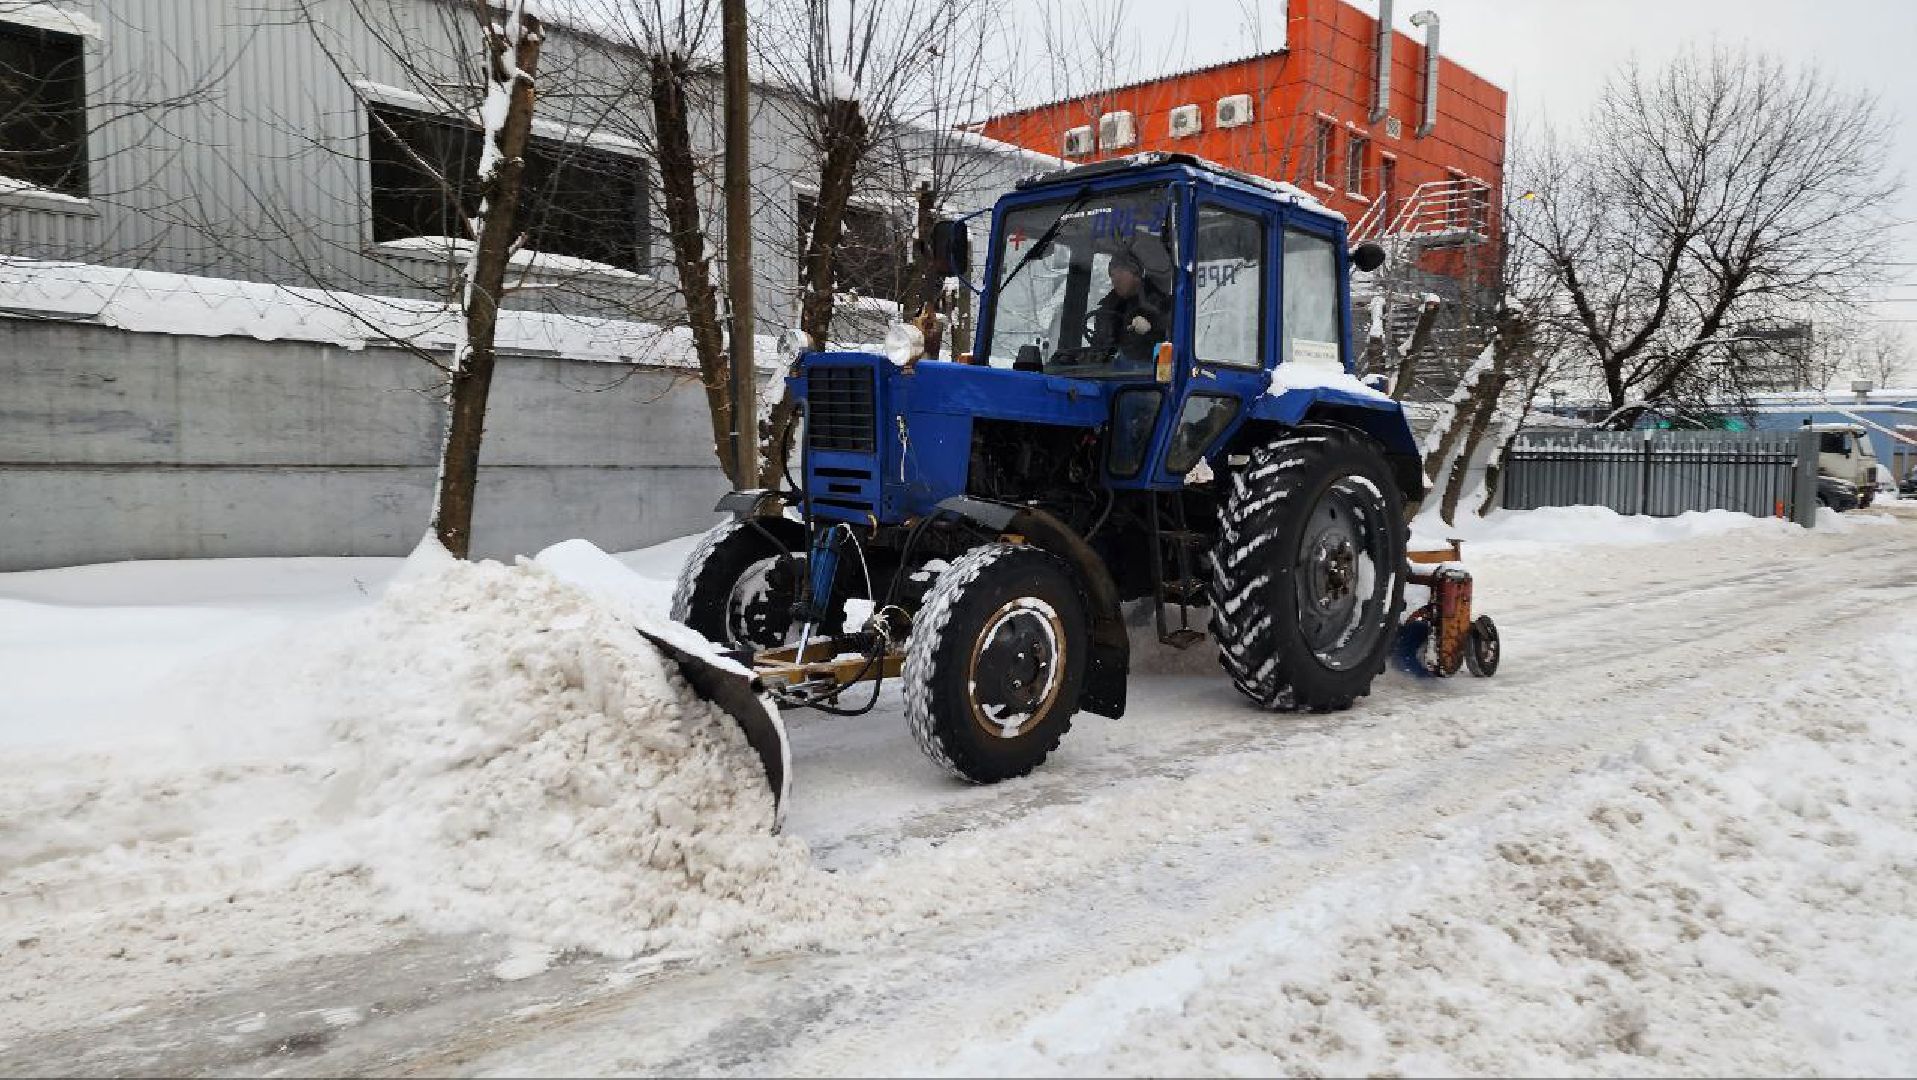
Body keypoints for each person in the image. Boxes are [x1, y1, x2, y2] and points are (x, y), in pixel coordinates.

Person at [1088, 251, 1169, 368]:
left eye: (1121, 271)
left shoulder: (1161, 306)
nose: (1115, 278)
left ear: (1136, 274)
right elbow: (1098, 351)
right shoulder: (1105, 310)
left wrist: (1151, 333)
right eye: (1112, 273)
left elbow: (1168, 359)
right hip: (1107, 377)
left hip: (1143, 380)